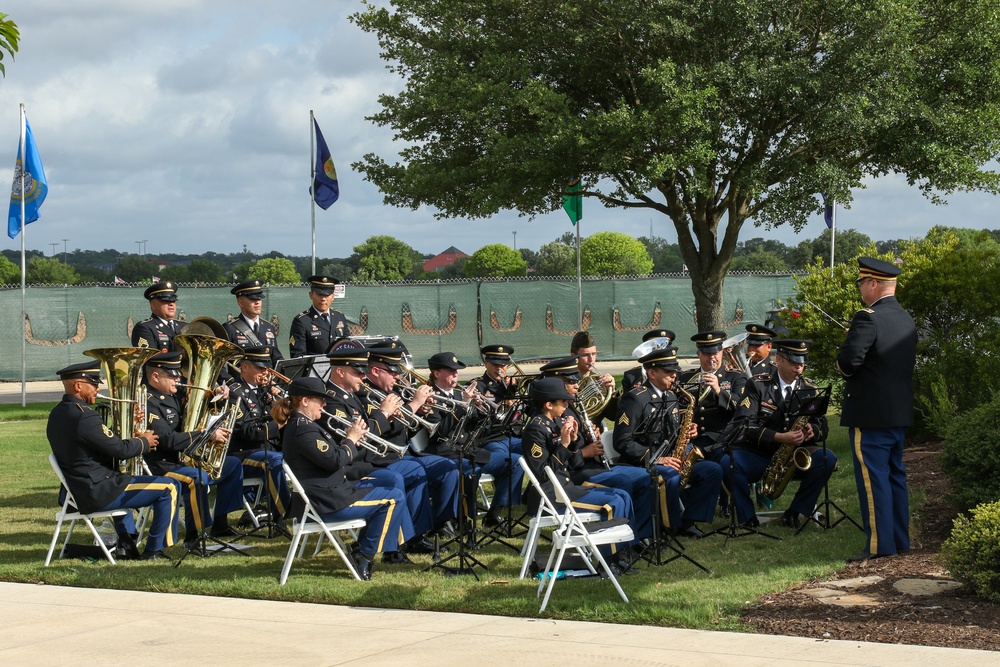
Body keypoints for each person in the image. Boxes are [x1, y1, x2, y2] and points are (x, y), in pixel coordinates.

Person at [47, 361, 182, 561]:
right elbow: (120, 450)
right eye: (93, 383)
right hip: (98, 491)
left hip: (80, 490)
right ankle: (154, 550)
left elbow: (101, 442)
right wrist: (144, 442)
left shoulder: (58, 413)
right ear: (78, 386)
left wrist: (132, 431)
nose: (97, 389)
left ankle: (126, 544)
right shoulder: (85, 417)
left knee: (126, 479)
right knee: (170, 487)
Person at [282, 376, 406, 580]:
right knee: (394, 498)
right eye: (319, 400)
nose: (324, 404)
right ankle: (364, 555)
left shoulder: (305, 426)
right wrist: (351, 439)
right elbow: (334, 460)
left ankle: (363, 548)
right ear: (304, 401)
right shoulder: (302, 430)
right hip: (328, 503)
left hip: (332, 492)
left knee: (387, 483)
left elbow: (333, 458)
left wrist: (352, 441)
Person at [836, 257, 917, 563]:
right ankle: (899, 539)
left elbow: (848, 364)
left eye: (861, 284)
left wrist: (848, 344)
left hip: (870, 415)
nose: (860, 290)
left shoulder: (867, 318)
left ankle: (880, 546)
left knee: (874, 480)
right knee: (894, 476)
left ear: (872, 284)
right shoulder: (905, 318)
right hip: (897, 413)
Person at [521, 376, 636, 570]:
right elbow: (543, 473)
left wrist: (573, 441)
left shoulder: (555, 422)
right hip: (552, 496)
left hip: (566, 487)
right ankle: (607, 561)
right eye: (563, 402)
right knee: (613, 502)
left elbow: (573, 462)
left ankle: (624, 551)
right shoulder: (535, 429)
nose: (567, 406)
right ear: (548, 404)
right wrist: (565, 444)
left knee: (622, 495)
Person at [539, 356, 653, 541]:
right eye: (570, 381)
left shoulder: (572, 406)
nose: (577, 385)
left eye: (576, 380)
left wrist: (592, 434)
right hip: (578, 473)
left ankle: (641, 533)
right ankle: (623, 538)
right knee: (623, 482)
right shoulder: (553, 414)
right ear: (555, 383)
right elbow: (557, 460)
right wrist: (586, 451)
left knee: (646, 477)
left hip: (593, 465)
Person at [613, 347, 723, 537]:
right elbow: (622, 441)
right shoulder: (635, 399)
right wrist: (656, 459)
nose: (674, 376)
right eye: (668, 372)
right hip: (642, 462)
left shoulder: (672, 395)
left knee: (712, 470)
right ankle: (667, 527)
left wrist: (687, 432)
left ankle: (688, 521)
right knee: (670, 476)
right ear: (652, 373)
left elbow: (671, 433)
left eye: (675, 372)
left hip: (670, 457)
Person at [726, 339, 835, 529]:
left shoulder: (810, 388)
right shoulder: (758, 385)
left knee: (827, 458)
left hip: (794, 455)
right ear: (779, 360)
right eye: (794, 363)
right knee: (728, 464)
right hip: (760, 453)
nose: (799, 369)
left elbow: (822, 425)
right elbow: (744, 425)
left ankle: (795, 512)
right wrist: (778, 437)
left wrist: (813, 431)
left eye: (801, 364)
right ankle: (747, 518)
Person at [323, 346, 417, 563]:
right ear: (340, 372)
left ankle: (385, 546)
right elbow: (362, 436)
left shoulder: (352, 396)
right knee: (394, 478)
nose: (363, 376)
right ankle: (388, 548)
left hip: (362, 463)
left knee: (396, 477)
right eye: (357, 372)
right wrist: (384, 413)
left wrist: (394, 415)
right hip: (347, 467)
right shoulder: (332, 400)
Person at [142, 352, 245, 547]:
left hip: (184, 458)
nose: (178, 378)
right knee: (196, 477)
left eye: (177, 374)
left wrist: (218, 394)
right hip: (162, 464)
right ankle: (195, 535)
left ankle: (220, 523)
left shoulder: (177, 392)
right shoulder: (149, 402)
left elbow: (203, 404)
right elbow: (168, 441)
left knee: (231, 465)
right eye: (171, 375)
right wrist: (206, 435)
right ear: (155, 377)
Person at [363, 345, 460, 548]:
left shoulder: (395, 390)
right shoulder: (367, 395)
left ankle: (438, 523)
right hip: (381, 458)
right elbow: (383, 429)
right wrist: (414, 405)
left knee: (447, 468)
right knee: (414, 471)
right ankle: (412, 537)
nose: (397, 377)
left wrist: (422, 412)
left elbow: (408, 427)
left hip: (406, 452)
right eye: (392, 372)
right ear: (375, 371)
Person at [422, 351, 523, 526]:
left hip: (469, 450)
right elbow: (440, 432)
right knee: (471, 472)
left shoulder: (458, 395)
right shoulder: (430, 398)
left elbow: (477, 426)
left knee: (515, 462)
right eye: (450, 370)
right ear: (436, 374)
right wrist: (463, 405)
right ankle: (460, 520)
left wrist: (478, 410)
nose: (455, 374)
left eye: (457, 371)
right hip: (445, 454)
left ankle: (494, 512)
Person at [225, 346, 289, 521]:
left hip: (266, 448)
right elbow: (249, 433)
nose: (265, 373)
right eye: (260, 369)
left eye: (266, 368)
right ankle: (283, 512)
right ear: (244, 367)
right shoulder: (234, 393)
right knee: (273, 460)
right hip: (242, 454)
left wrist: (280, 404)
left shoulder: (264, 390)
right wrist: (282, 422)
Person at [223, 279, 283, 366]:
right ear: (240, 303)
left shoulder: (269, 327)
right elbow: (218, 362)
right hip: (240, 379)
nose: (258, 302)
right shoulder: (230, 328)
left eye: (260, 298)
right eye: (252, 299)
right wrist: (230, 380)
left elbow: (276, 358)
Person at [288, 275, 349, 357]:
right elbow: (297, 355)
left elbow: (348, 346)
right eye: (319, 295)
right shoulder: (302, 321)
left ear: (333, 296)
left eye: (327, 295)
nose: (323, 299)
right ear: (311, 295)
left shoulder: (339, 317)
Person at [571, 331, 619, 427]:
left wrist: (613, 392)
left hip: (595, 433)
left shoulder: (599, 381)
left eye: (594, 354)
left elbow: (613, 416)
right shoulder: (565, 380)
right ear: (574, 356)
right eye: (585, 355)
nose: (591, 359)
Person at [132, 281, 181, 352]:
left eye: (173, 300)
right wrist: (182, 354)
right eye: (165, 300)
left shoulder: (184, 326)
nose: (171, 304)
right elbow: (150, 357)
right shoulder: (145, 328)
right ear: (153, 305)